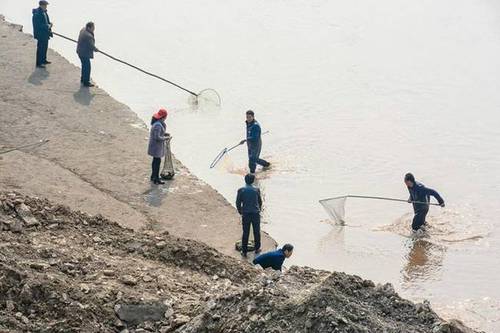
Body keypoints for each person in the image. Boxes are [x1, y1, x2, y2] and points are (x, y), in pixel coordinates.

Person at [235, 173, 263, 257]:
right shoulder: (256, 190)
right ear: (253, 181)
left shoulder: (241, 190)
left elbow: (238, 202)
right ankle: (257, 248)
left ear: (245, 180)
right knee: (256, 231)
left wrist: (240, 211)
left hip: (246, 213)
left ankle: (244, 251)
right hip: (255, 213)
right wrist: (259, 210)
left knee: (246, 232)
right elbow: (260, 202)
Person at [148, 109, 170, 185]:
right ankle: (156, 179)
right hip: (156, 147)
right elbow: (157, 137)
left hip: (155, 146)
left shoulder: (158, 123)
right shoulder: (158, 125)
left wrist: (165, 134)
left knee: (155, 161)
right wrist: (166, 138)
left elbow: (158, 134)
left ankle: (153, 176)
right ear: (164, 117)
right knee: (157, 162)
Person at [76, 22, 99, 87]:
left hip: (80, 51)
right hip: (84, 53)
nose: (94, 29)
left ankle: (83, 79)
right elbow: (91, 46)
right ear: (89, 27)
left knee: (84, 66)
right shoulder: (88, 36)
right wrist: (96, 49)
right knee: (87, 67)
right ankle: (86, 82)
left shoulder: (83, 29)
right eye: (93, 27)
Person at [32, 0, 53, 68]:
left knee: (45, 48)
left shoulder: (44, 12)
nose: (46, 6)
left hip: (45, 33)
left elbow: (46, 21)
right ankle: (39, 63)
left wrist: (50, 24)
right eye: (45, 5)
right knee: (40, 48)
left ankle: (43, 60)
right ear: (41, 5)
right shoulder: (37, 14)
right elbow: (38, 25)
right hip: (40, 34)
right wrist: (48, 26)